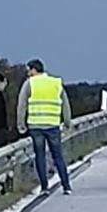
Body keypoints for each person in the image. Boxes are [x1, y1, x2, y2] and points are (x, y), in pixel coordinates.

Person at [16, 60, 72, 195]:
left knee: (40, 156)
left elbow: (22, 105)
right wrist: (67, 122)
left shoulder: (29, 83)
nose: (28, 73)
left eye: (29, 70)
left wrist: (21, 124)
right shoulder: (56, 83)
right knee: (57, 156)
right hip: (53, 124)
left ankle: (44, 187)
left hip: (36, 126)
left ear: (34, 70)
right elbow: (65, 104)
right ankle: (66, 185)